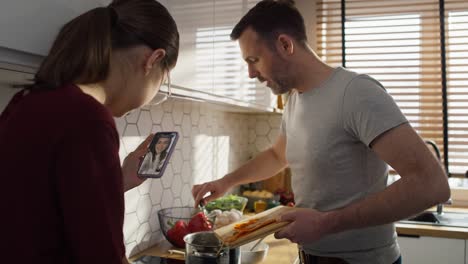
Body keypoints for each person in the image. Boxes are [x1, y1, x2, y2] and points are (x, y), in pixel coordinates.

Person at [192, 1, 450, 263]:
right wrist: (227, 182)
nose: (250, 73)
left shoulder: (356, 93)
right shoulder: (295, 99)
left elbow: (431, 185)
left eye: (254, 60)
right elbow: (276, 156)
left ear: (285, 44)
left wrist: (325, 223)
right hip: (311, 256)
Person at [0, 0, 179, 263]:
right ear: (153, 60)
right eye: (163, 82)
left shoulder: (25, 101)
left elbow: (41, 211)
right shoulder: (89, 118)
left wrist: (116, 181)